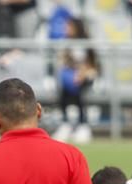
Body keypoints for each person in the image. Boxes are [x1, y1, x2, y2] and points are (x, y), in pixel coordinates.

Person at [52, 16, 98, 144]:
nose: (66, 29)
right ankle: (65, 124)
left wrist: (81, 74)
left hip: (86, 78)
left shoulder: (87, 44)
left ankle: (83, 124)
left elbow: (93, 65)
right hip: (71, 78)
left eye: (69, 26)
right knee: (64, 91)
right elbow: (62, 63)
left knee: (80, 92)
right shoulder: (65, 44)